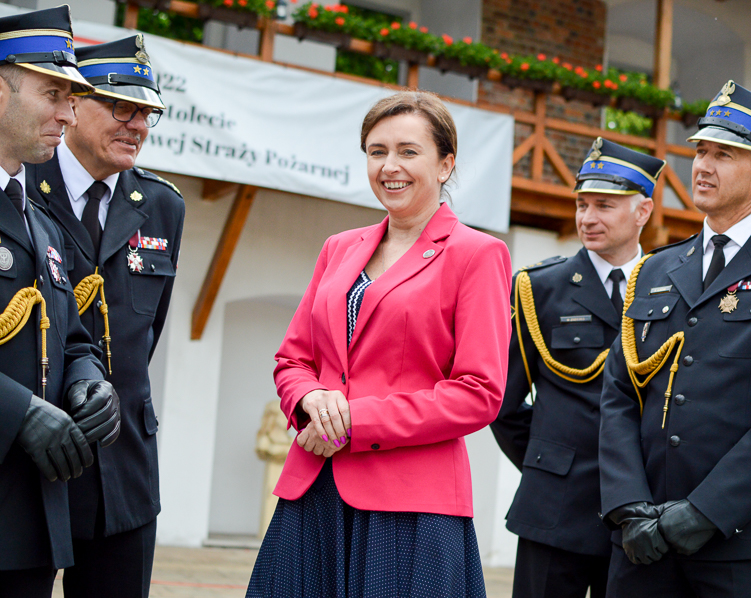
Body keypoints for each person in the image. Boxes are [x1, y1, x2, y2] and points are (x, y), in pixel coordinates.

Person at [245, 90, 512, 598]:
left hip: (410, 502)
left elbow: (479, 392)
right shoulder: (339, 247)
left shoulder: (479, 254)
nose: (390, 166)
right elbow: (292, 359)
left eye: (409, 151)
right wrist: (308, 399)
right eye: (376, 151)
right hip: (315, 490)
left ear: (445, 163)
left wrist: (352, 421)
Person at [597, 80, 751, 598]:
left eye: (725, 155)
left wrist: (704, 512)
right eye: (701, 151)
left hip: (744, 538)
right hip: (643, 538)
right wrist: (627, 506)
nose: (703, 166)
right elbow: (619, 394)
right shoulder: (657, 267)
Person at [25, 34, 183, 598]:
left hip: (126, 470)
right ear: (72, 104)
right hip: (33, 460)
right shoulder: (22, 188)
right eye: (121, 106)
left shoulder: (163, 206)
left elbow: (147, 333)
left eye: (147, 114)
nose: (136, 125)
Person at [490, 136, 663, 598]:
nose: (587, 218)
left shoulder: (671, 288)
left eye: (604, 205)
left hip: (640, 511)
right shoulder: (538, 288)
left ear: (642, 211)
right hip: (554, 511)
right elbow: (503, 402)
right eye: (582, 204)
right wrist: (552, 463)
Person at [0, 7, 120, 598]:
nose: (69, 114)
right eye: (54, 94)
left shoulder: (38, 219)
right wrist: (17, 411)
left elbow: (68, 334)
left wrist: (86, 380)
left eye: (73, 99)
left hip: (29, 521)